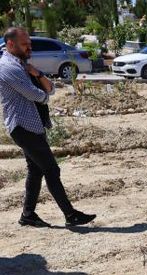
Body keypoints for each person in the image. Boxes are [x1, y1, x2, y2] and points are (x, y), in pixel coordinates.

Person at [0, 27, 95, 227]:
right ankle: (70, 215)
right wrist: (44, 95)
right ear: (10, 44)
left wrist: (40, 77)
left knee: (35, 170)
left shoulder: (22, 65)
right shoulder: (7, 67)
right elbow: (36, 94)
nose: (29, 48)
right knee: (51, 169)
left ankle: (28, 215)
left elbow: (49, 88)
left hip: (32, 126)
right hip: (23, 127)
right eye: (25, 44)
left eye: (30, 44)